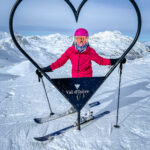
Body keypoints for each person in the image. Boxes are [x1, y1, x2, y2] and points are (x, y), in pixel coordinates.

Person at [36, 28, 126, 78]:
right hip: (75, 76)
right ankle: (78, 108)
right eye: (79, 39)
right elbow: (60, 62)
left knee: (84, 96)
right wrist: (46, 69)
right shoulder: (70, 51)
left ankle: (85, 111)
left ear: (87, 39)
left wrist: (116, 61)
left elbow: (101, 61)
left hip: (87, 77)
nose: (81, 41)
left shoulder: (90, 51)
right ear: (75, 39)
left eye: (84, 39)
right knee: (75, 94)